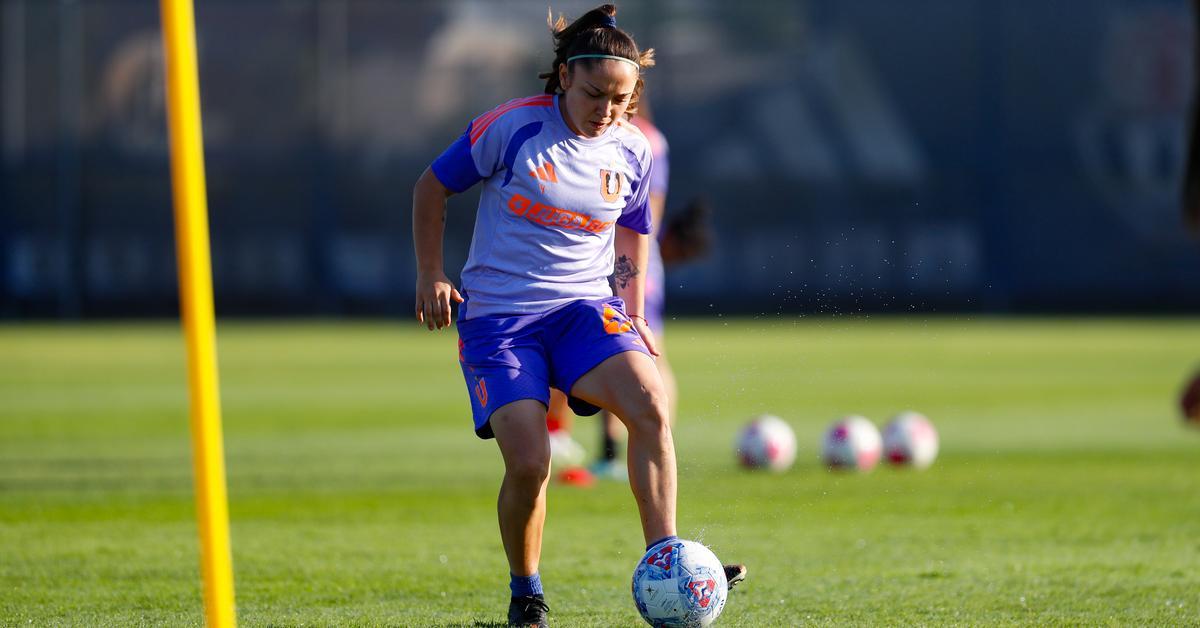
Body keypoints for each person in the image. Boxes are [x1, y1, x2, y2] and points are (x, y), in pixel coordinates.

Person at [411, 5, 743, 626]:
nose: (606, 110)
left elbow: (636, 232)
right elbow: (431, 188)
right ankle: (525, 590)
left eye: (620, 100)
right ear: (564, 77)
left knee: (649, 403)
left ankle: (666, 558)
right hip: (500, 321)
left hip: (583, 309)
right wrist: (432, 273)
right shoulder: (510, 129)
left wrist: (635, 311)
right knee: (532, 461)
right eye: (594, 94)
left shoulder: (634, 149)